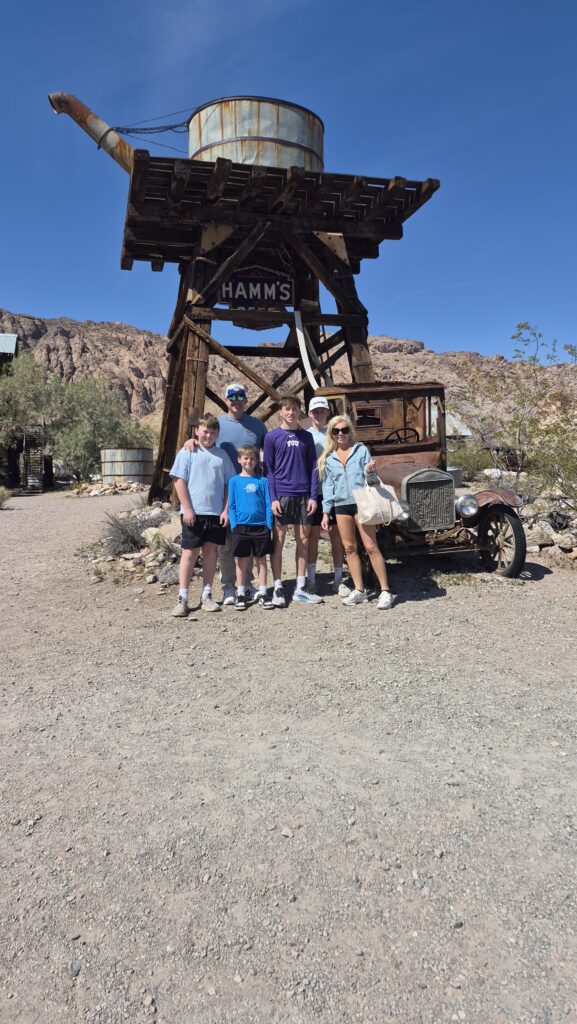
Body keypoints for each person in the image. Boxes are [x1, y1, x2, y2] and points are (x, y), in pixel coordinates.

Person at [185, 382, 267, 606]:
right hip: (223, 494)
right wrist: (191, 440)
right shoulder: (217, 425)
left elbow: (267, 456)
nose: (236, 401)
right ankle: (228, 586)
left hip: (249, 494)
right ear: (226, 400)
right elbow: (204, 440)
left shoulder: (257, 426)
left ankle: (247, 584)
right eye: (232, 398)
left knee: (247, 539)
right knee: (226, 543)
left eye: (241, 397)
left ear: (246, 400)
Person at [319, 414, 393, 609]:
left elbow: (372, 480)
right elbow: (328, 487)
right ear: (332, 434)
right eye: (336, 431)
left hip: (362, 503)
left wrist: (370, 471)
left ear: (350, 431)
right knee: (349, 548)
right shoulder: (330, 458)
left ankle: (385, 591)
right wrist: (326, 512)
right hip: (341, 505)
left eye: (344, 430)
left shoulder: (361, 451)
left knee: (370, 546)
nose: (340, 434)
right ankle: (359, 589)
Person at [170, 413, 235, 617]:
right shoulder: (187, 452)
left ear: (217, 434)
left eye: (213, 432)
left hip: (215, 513)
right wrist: (187, 509)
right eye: (205, 431)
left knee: (210, 553)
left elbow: (228, 485)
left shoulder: (222, 455)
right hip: (194, 513)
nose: (208, 435)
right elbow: (179, 481)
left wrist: (225, 510)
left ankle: (206, 594)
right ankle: (183, 597)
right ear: (197, 431)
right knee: (189, 553)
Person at [263, 395, 323, 607]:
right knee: (278, 541)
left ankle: (300, 587)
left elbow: (313, 469)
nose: (291, 413)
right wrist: (273, 498)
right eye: (287, 409)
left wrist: (313, 496)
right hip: (282, 496)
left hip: (303, 495)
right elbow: (268, 470)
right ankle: (278, 587)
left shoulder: (306, 437)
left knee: (303, 541)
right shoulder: (272, 437)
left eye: (294, 409)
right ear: (281, 412)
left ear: (300, 412)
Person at [305, 395, 347, 595]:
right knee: (312, 536)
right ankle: (311, 579)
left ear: (328, 412)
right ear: (309, 414)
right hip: (314, 493)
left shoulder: (336, 434)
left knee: (336, 535)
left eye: (322, 410)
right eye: (315, 411)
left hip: (336, 492)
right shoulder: (305, 436)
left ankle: (338, 579)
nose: (319, 414)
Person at [228, 444, 275, 611]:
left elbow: (268, 504)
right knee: (242, 561)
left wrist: (268, 524)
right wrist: (234, 525)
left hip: (261, 527)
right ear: (239, 460)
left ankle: (263, 592)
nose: (249, 461)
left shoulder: (262, 481)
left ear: (257, 461)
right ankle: (240, 592)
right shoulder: (234, 481)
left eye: (252, 458)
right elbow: (231, 505)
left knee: (261, 560)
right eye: (246, 458)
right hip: (241, 527)